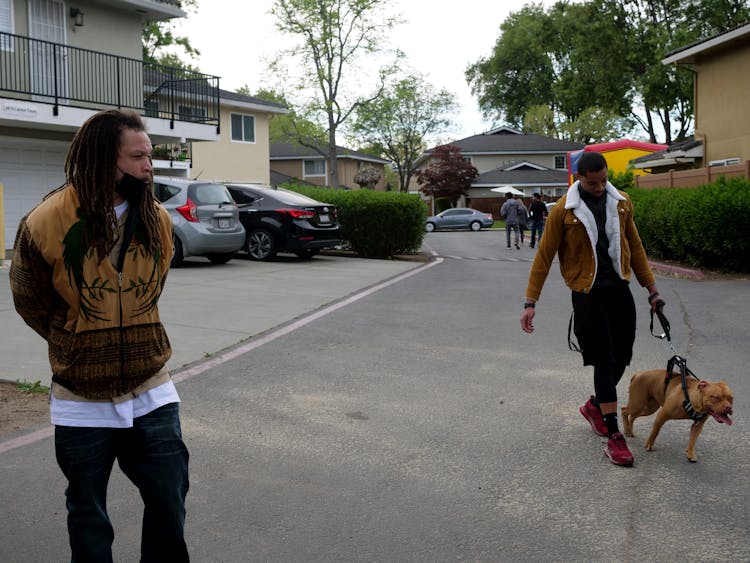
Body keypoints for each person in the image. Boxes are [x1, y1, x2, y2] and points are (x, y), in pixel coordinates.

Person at [9, 109, 189, 561]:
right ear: (105, 160)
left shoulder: (157, 220)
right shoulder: (44, 222)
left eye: (150, 156)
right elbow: (30, 299)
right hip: (81, 399)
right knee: (87, 511)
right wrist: (75, 337)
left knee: (169, 496)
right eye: (139, 157)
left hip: (151, 388)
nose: (150, 166)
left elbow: (151, 287)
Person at [519, 151, 663, 467]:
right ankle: (615, 437)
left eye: (603, 181)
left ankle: (595, 406)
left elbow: (635, 247)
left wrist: (652, 291)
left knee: (622, 357)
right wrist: (531, 303)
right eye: (592, 182)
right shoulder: (563, 211)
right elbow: (543, 257)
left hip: (619, 290)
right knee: (603, 359)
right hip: (587, 293)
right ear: (579, 178)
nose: (599, 188)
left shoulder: (621, 202)